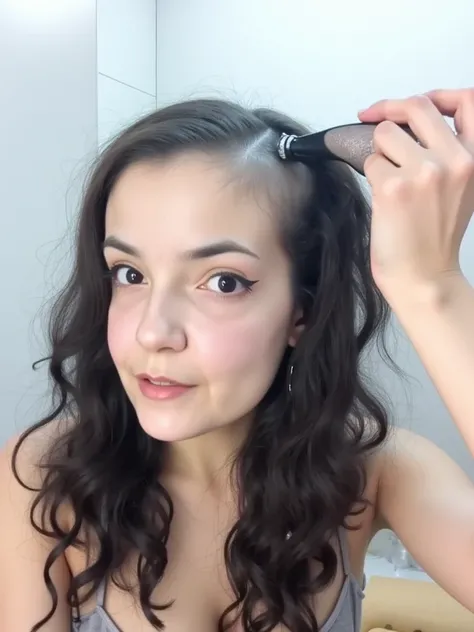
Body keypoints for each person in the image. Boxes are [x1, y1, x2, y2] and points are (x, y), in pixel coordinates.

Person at [0, 87, 473, 632]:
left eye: (222, 282)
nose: (154, 332)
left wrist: (431, 288)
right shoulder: (45, 479)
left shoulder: (373, 469)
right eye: (129, 273)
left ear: (302, 310)